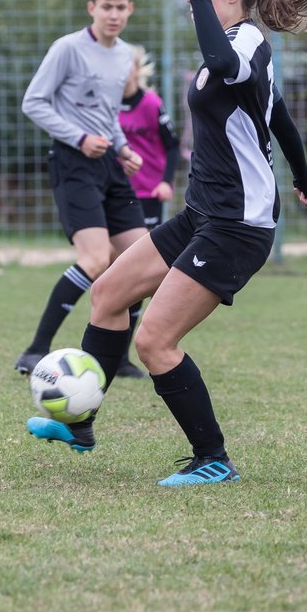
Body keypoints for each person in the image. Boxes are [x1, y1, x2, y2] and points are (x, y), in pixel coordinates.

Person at [27, 0, 307, 485]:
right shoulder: (237, 46)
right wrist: (305, 179)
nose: (191, 2)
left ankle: (213, 459)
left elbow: (230, 68)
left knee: (154, 342)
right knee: (109, 294)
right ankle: (80, 422)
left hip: (237, 225)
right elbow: (278, 114)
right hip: (203, 214)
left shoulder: (245, 41)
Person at [14, 0, 147, 377]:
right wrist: (79, 137)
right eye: (106, 7)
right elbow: (33, 102)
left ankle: (118, 358)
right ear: (92, 8)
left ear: (129, 9)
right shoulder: (67, 49)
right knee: (94, 259)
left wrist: (122, 147)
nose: (113, 15)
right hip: (73, 162)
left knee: (141, 259)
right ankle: (35, 350)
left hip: (109, 163)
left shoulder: (125, 55)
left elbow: (107, 116)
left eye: (120, 7)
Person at [116, 45, 182, 377]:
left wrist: (166, 182)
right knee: (114, 274)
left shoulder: (151, 104)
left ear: (136, 70)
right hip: (118, 195)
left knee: (138, 277)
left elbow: (172, 146)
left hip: (148, 194)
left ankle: (123, 356)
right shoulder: (107, 103)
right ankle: (113, 354)